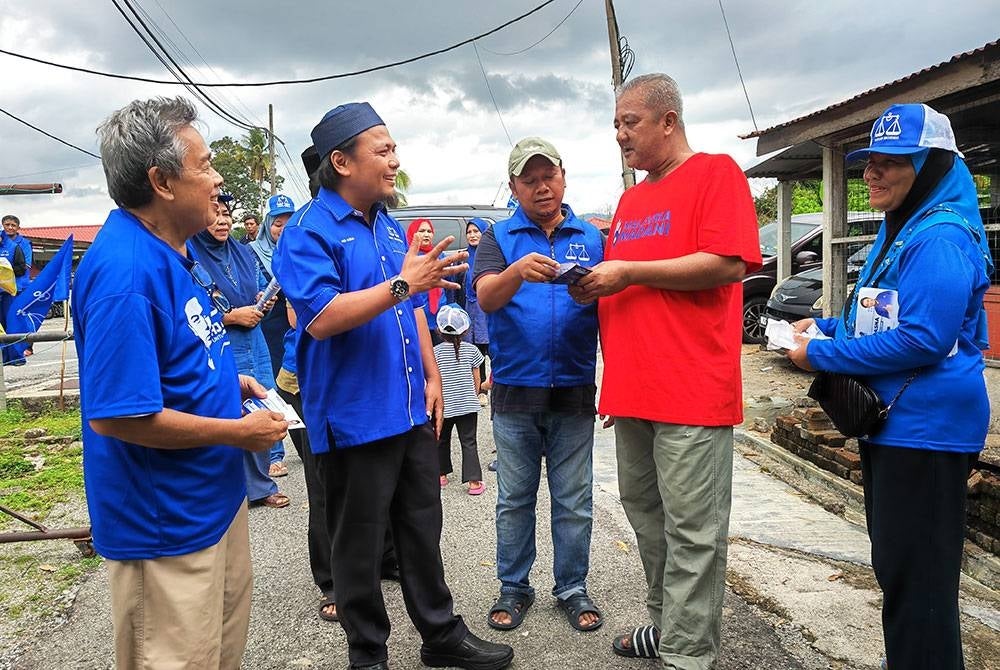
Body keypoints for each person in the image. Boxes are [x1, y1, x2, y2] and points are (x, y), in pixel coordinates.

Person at [273, 101, 513, 670]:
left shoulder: (386, 223)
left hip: (408, 408)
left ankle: (440, 634)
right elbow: (323, 317)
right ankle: (368, 654)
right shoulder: (307, 233)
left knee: (421, 527)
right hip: (355, 414)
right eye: (382, 150)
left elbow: (410, 313)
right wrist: (407, 283)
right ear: (341, 161)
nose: (394, 160)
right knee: (358, 543)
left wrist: (432, 377)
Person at [73, 96, 289, 669]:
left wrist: (229, 381)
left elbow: (178, 355)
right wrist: (239, 434)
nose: (218, 179)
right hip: (166, 526)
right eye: (207, 165)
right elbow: (119, 415)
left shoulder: (173, 252)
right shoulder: (126, 271)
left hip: (212, 506)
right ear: (162, 181)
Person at [787, 103, 991, 670]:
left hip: (926, 435)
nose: (872, 173)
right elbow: (887, 314)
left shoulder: (940, 238)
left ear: (930, 167)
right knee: (903, 575)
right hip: (898, 428)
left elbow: (924, 339)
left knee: (920, 589)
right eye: (869, 161)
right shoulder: (905, 226)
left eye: (890, 162)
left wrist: (821, 354)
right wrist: (824, 326)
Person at [571, 73, 761, 667]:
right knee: (648, 523)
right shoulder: (630, 200)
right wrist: (595, 287)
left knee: (693, 534)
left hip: (691, 392)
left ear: (668, 121)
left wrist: (628, 273)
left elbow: (728, 263)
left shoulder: (715, 173)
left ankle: (688, 654)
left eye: (630, 123)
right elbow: (627, 286)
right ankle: (665, 628)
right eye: (616, 125)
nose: (620, 136)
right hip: (634, 393)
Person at [473, 136, 605, 634]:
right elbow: (485, 297)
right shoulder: (499, 236)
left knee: (574, 499)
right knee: (515, 498)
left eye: (548, 175)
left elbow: (612, 311)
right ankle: (514, 586)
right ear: (514, 187)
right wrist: (516, 272)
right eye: (529, 180)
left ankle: (572, 587)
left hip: (574, 389)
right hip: (514, 392)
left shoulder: (592, 238)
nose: (541, 187)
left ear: (564, 176)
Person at [190, 197, 290, 510]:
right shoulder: (191, 255)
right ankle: (233, 490)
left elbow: (257, 285)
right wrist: (231, 316)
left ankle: (261, 486)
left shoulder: (243, 251)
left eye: (226, 215)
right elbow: (189, 309)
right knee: (227, 411)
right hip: (221, 341)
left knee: (259, 403)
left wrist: (263, 298)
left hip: (255, 338)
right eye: (214, 215)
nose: (221, 221)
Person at [249, 193, 296, 476]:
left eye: (289, 223)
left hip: (296, 324)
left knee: (294, 383)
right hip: (269, 324)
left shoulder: (301, 247)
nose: (283, 230)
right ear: (268, 224)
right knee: (271, 385)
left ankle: (303, 443)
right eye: (278, 224)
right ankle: (275, 453)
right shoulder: (254, 251)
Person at [433, 303, 485, 495]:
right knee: (469, 441)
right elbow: (477, 378)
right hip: (467, 405)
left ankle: (441, 475)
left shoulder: (435, 352)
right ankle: (473, 483)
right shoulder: (472, 350)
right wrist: (474, 393)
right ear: (465, 330)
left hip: (445, 406)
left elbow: (433, 378)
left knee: (442, 440)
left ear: (439, 330)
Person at [462, 218, 491, 405]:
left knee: (491, 347)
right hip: (469, 308)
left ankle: (495, 383)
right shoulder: (464, 257)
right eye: (469, 232)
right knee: (474, 350)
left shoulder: (491, 255)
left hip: (487, 308)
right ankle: (479, 390)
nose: (472, 235)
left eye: (476, 231)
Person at [1, 215, 32, 364]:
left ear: (18, 227)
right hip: (3, 290)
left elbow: (24, 266)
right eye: (7, 225)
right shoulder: (2, 244)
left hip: (18, 288)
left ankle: (25, 348)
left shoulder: (23, 244)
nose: (10, 228)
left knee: (18, 320)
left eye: (13, 225)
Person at [407, 218, 443, 342]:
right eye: (421, 231)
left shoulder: (439, 255)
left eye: (429, 231)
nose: (426, 234)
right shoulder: (408, 257)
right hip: (418, 314)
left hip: (439, 315)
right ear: (413, 233)